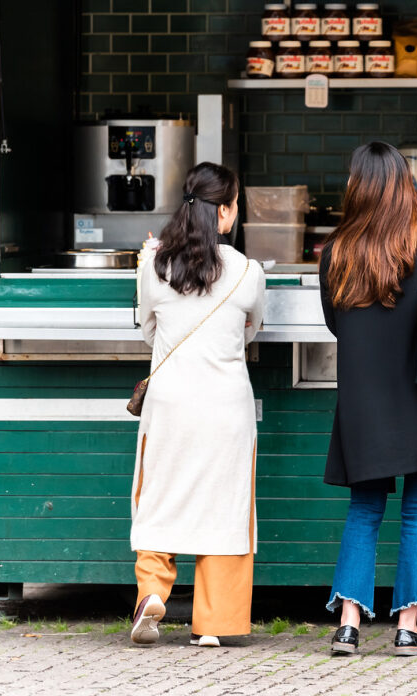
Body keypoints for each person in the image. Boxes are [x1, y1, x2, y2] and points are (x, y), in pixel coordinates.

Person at [320, 141, 417, 658]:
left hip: (364, 400)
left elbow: (334, 324)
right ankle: (408, 625)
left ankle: (348, 623)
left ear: (357, 187)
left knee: (364, 509)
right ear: (403, 186)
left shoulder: (337, 249)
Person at [129, 162, 266, 648]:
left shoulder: (154, 265)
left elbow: (147, 328)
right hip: (226, 407)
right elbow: (253, 330)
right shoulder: (248, 272)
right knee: (225, 508)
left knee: (159, 499)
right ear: (225, 213)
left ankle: (153, 592)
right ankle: (216, 624)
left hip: (169, 405)